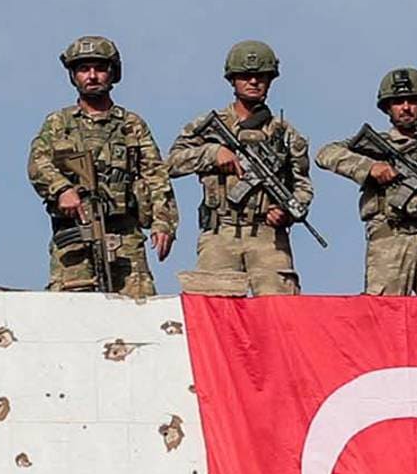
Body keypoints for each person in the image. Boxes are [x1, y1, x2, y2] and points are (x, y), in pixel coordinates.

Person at [163, 40, 315, 296]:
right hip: (219, 233)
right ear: (233, 80)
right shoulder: (208, 125)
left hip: (269, 238)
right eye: (245, 76)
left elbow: (302, 186)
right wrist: (212, 153)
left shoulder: (286, 134)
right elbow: (171, 163)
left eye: (260, 77)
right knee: (214, 313)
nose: (253, 82)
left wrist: (286, 213)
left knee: (279, 313)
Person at [25, 35, 170, 298]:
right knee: (73, 312)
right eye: (83, 69)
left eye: (100, 68)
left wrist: (163, 223)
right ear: (73, 75)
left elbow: (155, 175)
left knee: (138, 310)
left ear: (113, 73)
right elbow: (38, 162)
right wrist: (62, 190)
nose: (92, 76)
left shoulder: (131, 124)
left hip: (125, 236)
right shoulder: (59, 123)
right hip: (75, 233)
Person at [314, 67, 417, 295]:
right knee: (384, 315)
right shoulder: (376, 145)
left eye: (412, 101)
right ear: (388, 107)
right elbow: (325, 154)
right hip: (389, 239)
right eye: (399, 101)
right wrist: (371, 167)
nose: (406, 107)